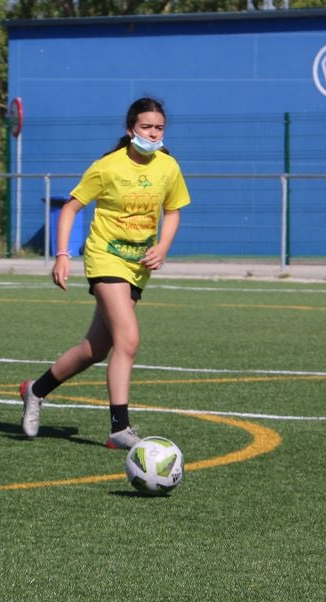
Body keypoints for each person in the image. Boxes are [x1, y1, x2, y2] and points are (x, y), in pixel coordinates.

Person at [19, 97, 191, 448]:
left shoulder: (168, 166)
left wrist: (163, 246)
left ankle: (35, 390)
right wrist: (63, 255)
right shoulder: (107, 167)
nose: (153, 133)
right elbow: (70, 208)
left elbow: (173, 210)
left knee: (94, 349)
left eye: (158, 128)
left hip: (137, 265)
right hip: (104, 259)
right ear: (130, 130)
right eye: (146, 127)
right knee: (128, 340)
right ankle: (119, 429)